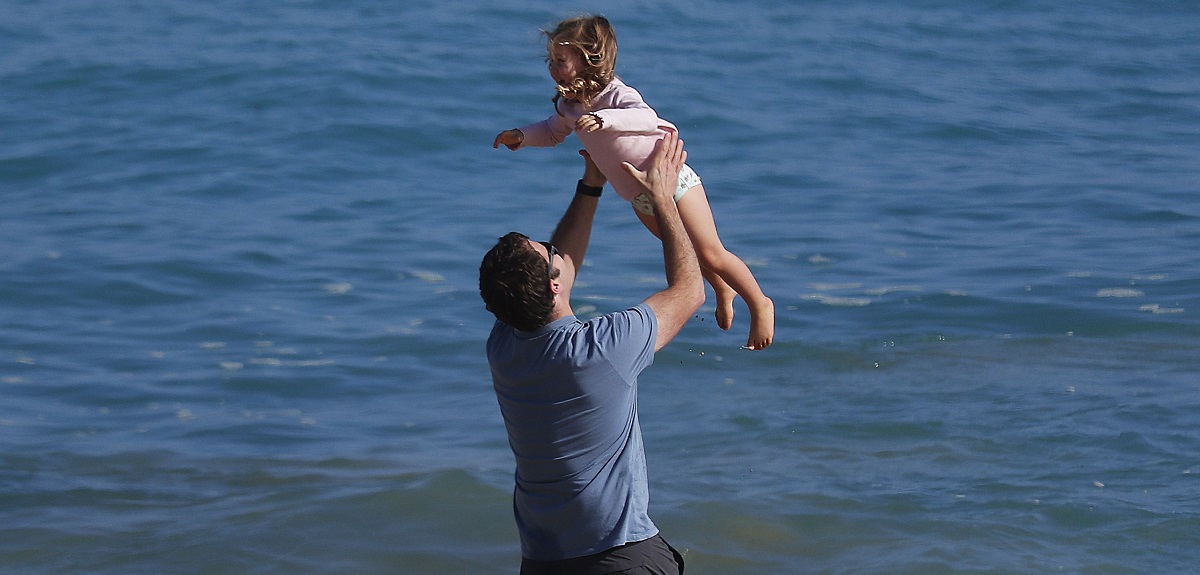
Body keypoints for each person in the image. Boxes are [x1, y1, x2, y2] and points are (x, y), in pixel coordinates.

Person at [480, 130, 702, 574]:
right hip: (620, 556)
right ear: (553, 285)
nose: (556, 250)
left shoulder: (503, 348)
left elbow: (557, 272)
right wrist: (662, 199)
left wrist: (591, 184)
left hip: (543, 561)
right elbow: (690, 290)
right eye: (549, 251)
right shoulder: (602, 349)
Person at [493, 14, 774, 351]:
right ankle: (722, 287)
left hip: (671, 180)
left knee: (711, 252)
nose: (553, 68)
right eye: (550, 61)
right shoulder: (569, 106)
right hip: (640, 197)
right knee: (686, 251)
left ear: (590, 59)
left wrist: (603, 119)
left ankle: (760, 304)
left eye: (560, 60)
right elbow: (552, 131)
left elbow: (645, 118)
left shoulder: (614, 93)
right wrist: (522, 136)